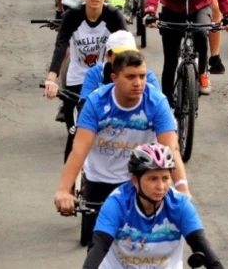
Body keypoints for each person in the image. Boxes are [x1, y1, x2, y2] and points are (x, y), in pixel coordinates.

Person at [54, 51, 188, 244]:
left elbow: (171, 149)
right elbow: (80, 149)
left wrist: (182, 189)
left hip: (139, 184)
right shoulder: (96, 102)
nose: (138, 83)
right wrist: (64, 191)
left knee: (144, 246)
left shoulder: (157, 102)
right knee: (98, 249)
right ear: (114, 78)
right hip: (100, 182)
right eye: (131, 77)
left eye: (142, 76)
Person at [83, 144, 224, 268]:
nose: (161, 186)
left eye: (165, 178)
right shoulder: (117, 202)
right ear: (135, 181)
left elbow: (200, 244)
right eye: (153, 179)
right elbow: (100, 245)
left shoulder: (180, 204)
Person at [42, 0, 127, 155]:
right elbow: (60, 46)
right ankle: (72, 173)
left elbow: (127, 50)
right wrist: (51, 79)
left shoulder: (113, 16)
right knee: (75, 135)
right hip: (77, 81)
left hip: (105, 80)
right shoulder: (72, 16)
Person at [80, 30, 162, 105]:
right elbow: (84, 107)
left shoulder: (147, 75)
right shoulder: (94, 74)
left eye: (130, 54)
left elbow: (159, 104)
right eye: (119, 56)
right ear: (108, 56)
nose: (126, 60)